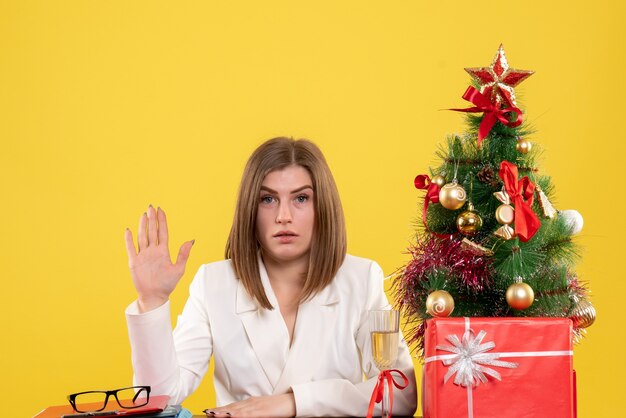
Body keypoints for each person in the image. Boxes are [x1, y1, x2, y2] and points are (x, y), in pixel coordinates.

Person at [124, 137, 417, 417]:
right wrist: (152, 301)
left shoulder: (361, 278)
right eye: (268, 199)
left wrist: (293, 403)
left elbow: (398, 393)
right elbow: (159, 399)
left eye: (301, 198)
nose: (283, 216)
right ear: (250, 208)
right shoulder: (213, 284)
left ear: (323, 207)